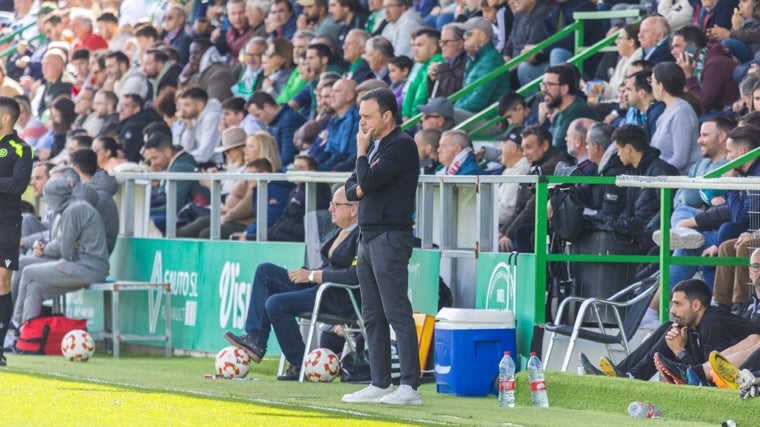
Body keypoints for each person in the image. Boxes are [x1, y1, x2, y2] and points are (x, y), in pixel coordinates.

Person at [224, 187, 361, 380]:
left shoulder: (362, 236)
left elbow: (354, 276)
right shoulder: (340, 232)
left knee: (276, 304)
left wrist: (313, 275)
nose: (330, 208)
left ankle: (299, 363)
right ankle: (255, 340)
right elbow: (329, 266)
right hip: (320, 287)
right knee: (265, 271)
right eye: (331, 204)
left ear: (353, 210)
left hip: (338, 297)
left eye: (335, 205)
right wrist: (305, 274)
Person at [342, 88, 421, 405]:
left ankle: (410, 387)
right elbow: (350, 189)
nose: (361, 122)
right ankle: (380, 382)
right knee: (372, 315)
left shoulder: (400, 146)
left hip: (391, 236)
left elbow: (368, 184)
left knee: (397, 312)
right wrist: (363, 177)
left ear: (387, 116)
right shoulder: (376, 149)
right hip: (367, 235)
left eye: (366, 116)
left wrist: (361, 155)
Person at [580, 278, 760, 381]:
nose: (672, 310)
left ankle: (630, 376)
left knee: (673, 335)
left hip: (747, 368)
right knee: (668, 328)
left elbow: (708, 372)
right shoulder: (700, 322)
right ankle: (625, 373)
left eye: (677, 304)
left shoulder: (712, 323)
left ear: (696, 305)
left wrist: (680, 351)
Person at [12, 178, 109, 326]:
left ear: (54, 197)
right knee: (35, 288)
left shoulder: (73, 210)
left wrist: (44, 250)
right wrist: (41, 245)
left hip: (88, 267)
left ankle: (15, 323)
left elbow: (65, 251)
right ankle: (27, 336)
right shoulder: (67, 209)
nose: (46, 203)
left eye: (47, 198)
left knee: (27, 271)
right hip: (78, 263)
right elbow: (57, 240)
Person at [0, 96, 33, 366]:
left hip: (6, 221)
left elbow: (19, 185)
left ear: (5, 118)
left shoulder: (21, 149)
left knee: (1, 282)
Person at [649, 62, 701, 175]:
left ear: (661, 86)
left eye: (652, 81)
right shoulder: (666, 111)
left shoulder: (682, 112)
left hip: (679, 180)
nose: (651, 86)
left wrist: (655, 175)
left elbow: (680, 159)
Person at [539, 64, 599, 159]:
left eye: (549, 85)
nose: (543, 90)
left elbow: (555, 153)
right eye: (543, 85)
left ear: (564, 89)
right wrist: (542, 121)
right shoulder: (558, 114)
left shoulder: (577, 112)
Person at [453, 17, 506, 113]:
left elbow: (478, 100)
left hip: (488, 119)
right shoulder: (474, 58)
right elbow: (464, 95)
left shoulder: (491, 60)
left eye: (469, 32)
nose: (464, 36)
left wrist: (454, 113)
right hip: (471, 114)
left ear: (482, 36)